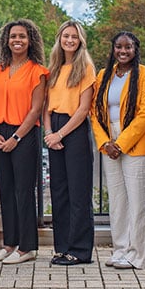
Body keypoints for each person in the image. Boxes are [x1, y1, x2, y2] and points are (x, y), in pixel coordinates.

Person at [92, 31, 145, 270]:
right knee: (118, 200)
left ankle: (137, 254)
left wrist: (121, 144)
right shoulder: (103, 76)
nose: (123, 51)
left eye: (128, 47)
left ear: (135, 48)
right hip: (109, 141)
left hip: (137, 142)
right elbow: (94, 112)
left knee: (138, 201)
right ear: (113, 49)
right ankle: (120, 249)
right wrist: (105, 143)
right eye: (118, 47)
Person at [0, 19, 48, 265]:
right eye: (13, 36)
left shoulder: (38, 71)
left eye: (22, 36)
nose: (17, 40)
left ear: (30, 40)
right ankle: (9, 243)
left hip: (24, 134)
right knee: (6, 190)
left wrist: (16, 137)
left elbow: (36, 110)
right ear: (6, 40)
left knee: (24, 191)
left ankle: (27, 247)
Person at [44, 20, 96, 266]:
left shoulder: (85, 67)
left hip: (73, 131)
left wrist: (60, 134)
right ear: (59, 38)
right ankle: (62, 247)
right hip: (53, 130)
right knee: (59, 192)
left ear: (80, 40)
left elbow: (84, 108)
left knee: (78, 193)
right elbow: (45, 106)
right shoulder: (53, 67)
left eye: (74, 37)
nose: (70, 40)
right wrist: (48, 133)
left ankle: (80, 250)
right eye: (66, 36)